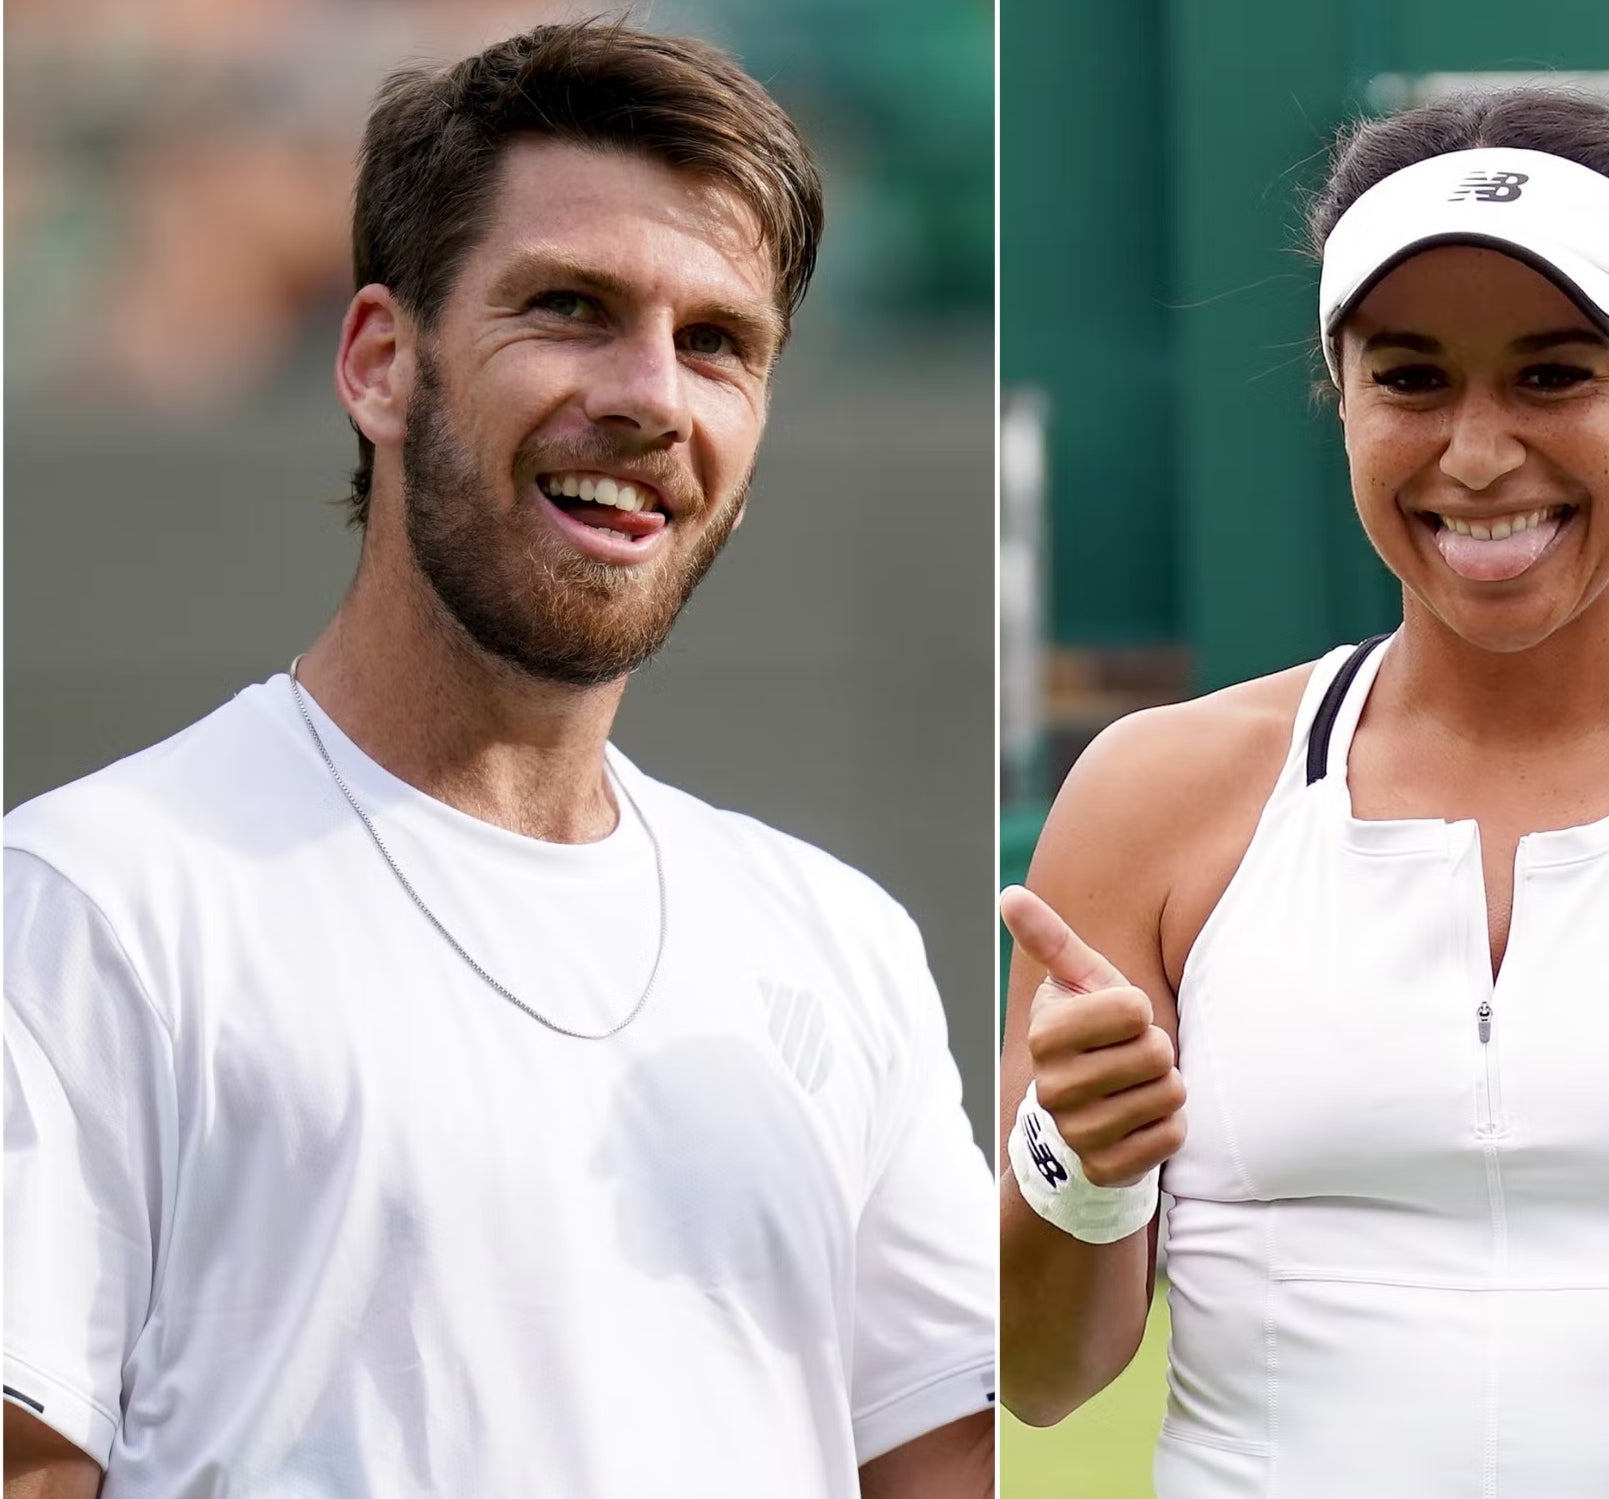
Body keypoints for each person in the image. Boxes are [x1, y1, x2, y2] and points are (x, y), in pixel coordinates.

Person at [5, 23, 994, 1499]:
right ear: (381, 362)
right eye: (570, 308)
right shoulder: (89, 902)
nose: (652, 394)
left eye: (718, 340)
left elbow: (943, 1459)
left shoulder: (839, 939)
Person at [998, 89, 1609, 1499]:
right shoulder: (1155, 791)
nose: (1475, 454)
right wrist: (1074, 1167)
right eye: (1409, 378)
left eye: (1550, 374)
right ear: (1336, 396)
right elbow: (1040, 1377)